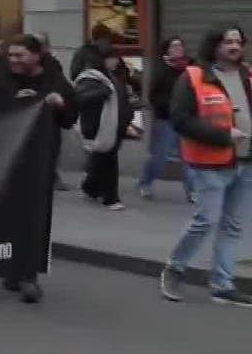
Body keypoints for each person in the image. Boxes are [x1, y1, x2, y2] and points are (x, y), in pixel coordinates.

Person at [161, 24, 252, 307]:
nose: (235, 46)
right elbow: (180, 119)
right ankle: (174, 269)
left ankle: (222, 284)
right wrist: (223, 136)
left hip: (246, 162)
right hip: (210, 163)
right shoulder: (194, 76)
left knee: (233, 225)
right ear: (215, 45)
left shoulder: (247, 74)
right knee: (206, 220)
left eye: (238, 41)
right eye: (228, 41)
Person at [3, 34, 78, 303]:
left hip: (39, 161)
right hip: (5, 160)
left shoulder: (54, 81)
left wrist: (60, 104)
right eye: (10, 55)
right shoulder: (4, 79)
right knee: (7, 217)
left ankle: (28, 277)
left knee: (34, 218)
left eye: (19, 55)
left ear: (35, 55)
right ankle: (10, 270)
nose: (13, 60)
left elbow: (70, 117)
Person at [73, 47, 139, 211]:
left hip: (115, 125)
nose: (115, 62)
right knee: (109, 162)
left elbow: (122, 98)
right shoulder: (92, 78)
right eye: (111, 58)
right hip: (102, 126)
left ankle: (90, 188)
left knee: (101, 160)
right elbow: (80, 98)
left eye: (116, 58)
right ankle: (110, 198)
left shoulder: (113, 76)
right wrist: (102, 92)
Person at [139, 36, 195, 202]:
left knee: (189, 157)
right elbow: (153, 96)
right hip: (166, 120)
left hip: (186, 120)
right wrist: (170, 108)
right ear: (167, 50)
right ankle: (145, 183)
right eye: (174, 46)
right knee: (159, 156)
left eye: (180, 45)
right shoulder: (162, 70)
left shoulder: (190, 68)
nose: (178, 49)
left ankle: (193, 191)